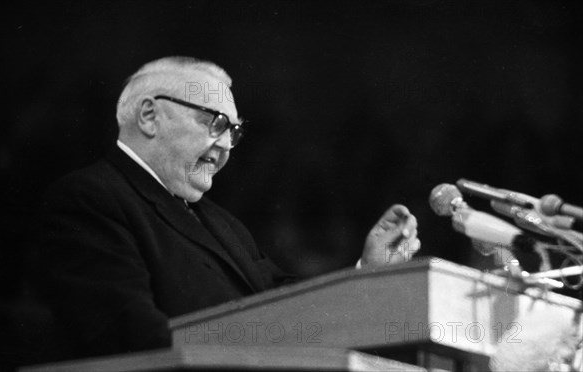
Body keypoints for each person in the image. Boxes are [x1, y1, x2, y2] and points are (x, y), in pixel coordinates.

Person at [35, 56, 420, 360]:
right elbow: (130, 336)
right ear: (150, 116)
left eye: (233, 132)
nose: (226, 147)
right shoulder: (89, 199)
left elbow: (283, 303)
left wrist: (367, 274)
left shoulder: (223, 223)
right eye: (214, 123)